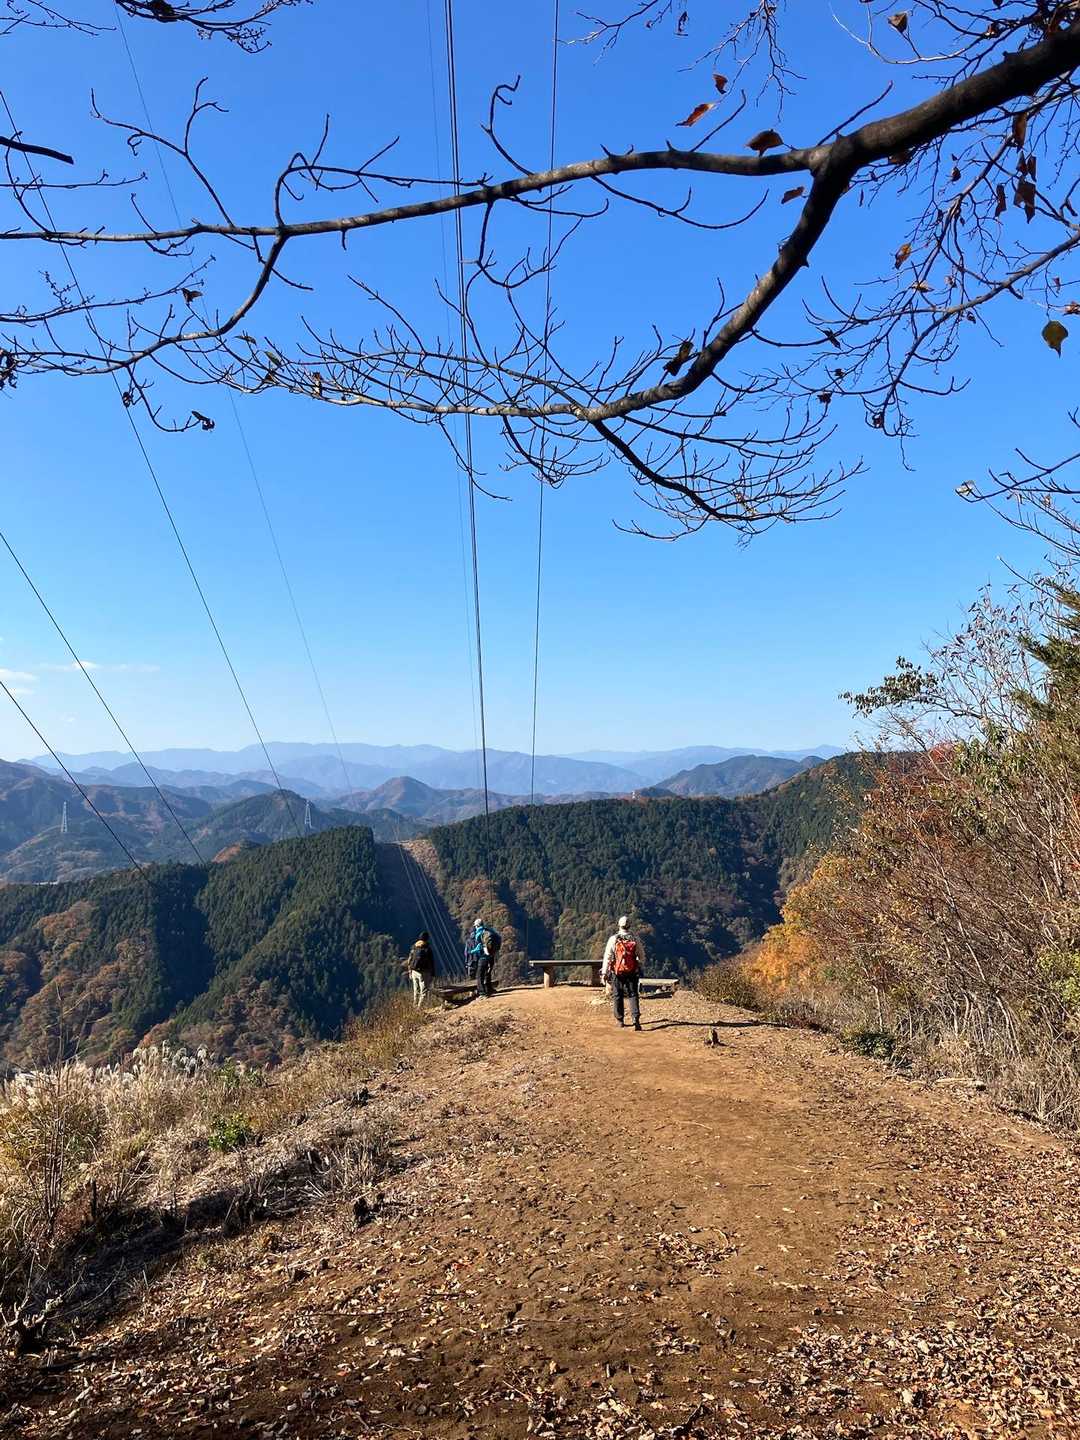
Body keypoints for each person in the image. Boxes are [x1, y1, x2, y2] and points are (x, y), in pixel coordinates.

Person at [602, 915, 646, 1031]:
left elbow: (608, 957)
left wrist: (604, 972)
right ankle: (636, 1019)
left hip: (617, 971)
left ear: (619, 925)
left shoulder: (613, 939)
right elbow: (642, 956)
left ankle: (620, 1020)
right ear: (629, 925)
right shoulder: (634, 939)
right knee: (633, 994)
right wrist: (637, 964)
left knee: (618, 995)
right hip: (632, 971)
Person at [466, 917, 501, 999]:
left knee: (480, 975)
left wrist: (472, 951)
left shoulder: (479, 933)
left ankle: (482, 993)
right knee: (487, 973)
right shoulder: (489, 931)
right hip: (491, 955)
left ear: (476, 926)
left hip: (484, 956)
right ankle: (489, 989)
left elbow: (479, 946)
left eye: (475, 926)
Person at [405, 931, 435, 1008]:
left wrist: (410, 971)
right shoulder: (427, 948)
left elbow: (409, 960)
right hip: (424, 972)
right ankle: (420, 1008)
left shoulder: (414, 947)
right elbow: (431, 962)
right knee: (424, 992)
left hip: (414, 971)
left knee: (416, 990)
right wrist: (433, 974)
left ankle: (415, 1006)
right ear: (427, 939)